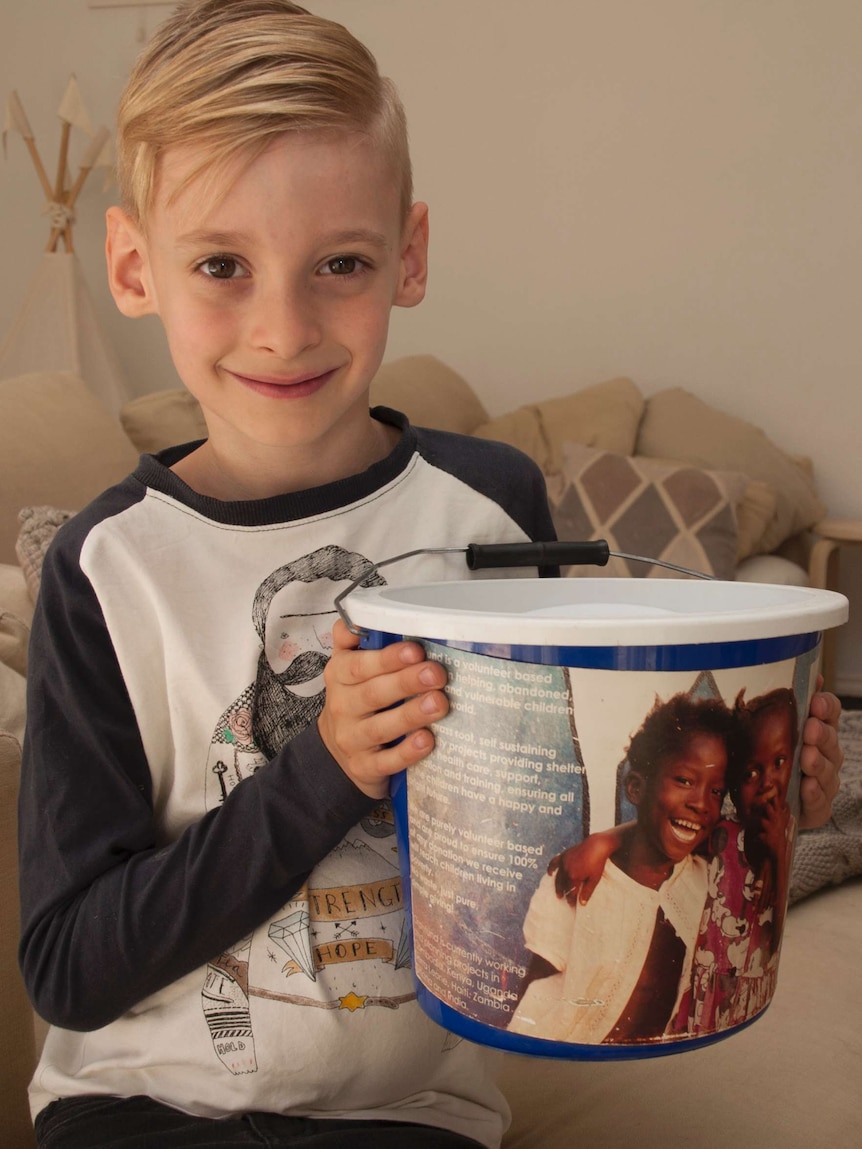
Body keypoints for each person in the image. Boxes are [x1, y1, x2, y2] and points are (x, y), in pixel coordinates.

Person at [16, 3, 558, 1147]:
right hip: (140, 1102)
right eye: (221, 264)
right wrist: (325, 772)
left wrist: (751, 802)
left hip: (410, 1111)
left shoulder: (492, 508)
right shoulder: (104, 570)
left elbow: (554, 817)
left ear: (405, 256)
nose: (283, 327)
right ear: (132, 266)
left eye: (340, 264)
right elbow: (68, 969)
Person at [507, 694, 736, 1045]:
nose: (701, 803)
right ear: (636, 789)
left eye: (716, 791)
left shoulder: (705, 882)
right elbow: (535, 988)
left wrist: (605, 838)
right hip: (557, 1052)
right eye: (684, 781)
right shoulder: (579, 878)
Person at [672, 688, 800, 1035]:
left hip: (751, 989)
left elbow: (773, 933)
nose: (768, 785)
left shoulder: (787, 832)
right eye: (750, 774)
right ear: (730, 786)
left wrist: (777, 852)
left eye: (779, 762)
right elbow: (668, 843)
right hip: (706, 987)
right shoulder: (723, 834)